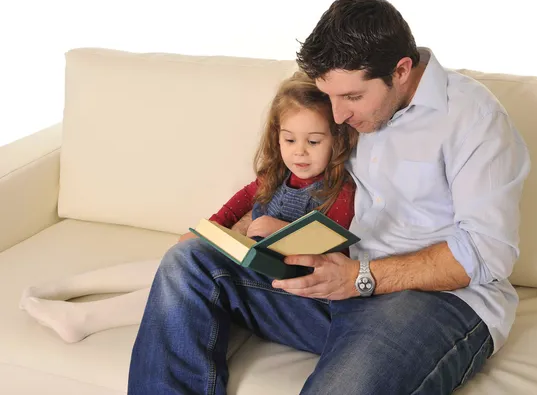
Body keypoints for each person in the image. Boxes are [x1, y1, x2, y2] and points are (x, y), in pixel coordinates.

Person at [128, 0, 531, 395]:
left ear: (402, 70)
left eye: (352, 97)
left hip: (434, 301)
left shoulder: (474, 119)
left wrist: (360, 277)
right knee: (190, 262)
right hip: (336, 282)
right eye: (332, 97)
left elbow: (486, 251)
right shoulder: (350, 103)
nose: (339, 117)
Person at [18, 70, 357, 344]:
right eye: (289, 139)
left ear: (336, 140)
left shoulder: (338, 191)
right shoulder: (276, 175)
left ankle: (83, 319)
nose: (300, 152)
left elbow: (334, 244)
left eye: (313, 142)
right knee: (176, 261)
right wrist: (206, 229)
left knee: (186, 280)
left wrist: (278, 229)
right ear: (276, 135)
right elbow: (239, 201)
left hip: (287, 288)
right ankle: (71, 288)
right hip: (248, 263)